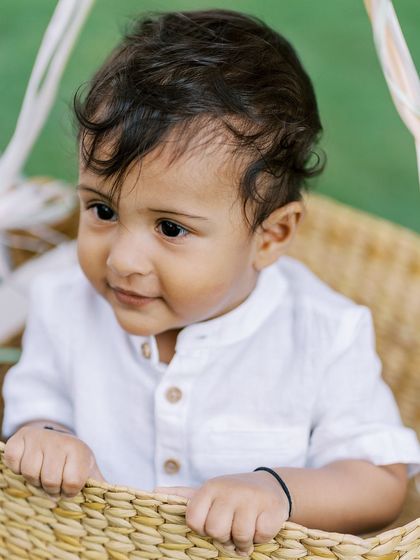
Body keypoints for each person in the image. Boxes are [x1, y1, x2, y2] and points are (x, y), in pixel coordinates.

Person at [2, 8, 420, 555]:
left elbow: (380, 479)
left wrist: (277, 491)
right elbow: (37, 398)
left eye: (170, 228)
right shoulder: (64, 302)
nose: (124, 259)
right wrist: (46, 434)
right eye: (102, 210)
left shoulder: (324, 333)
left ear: (271, 237)